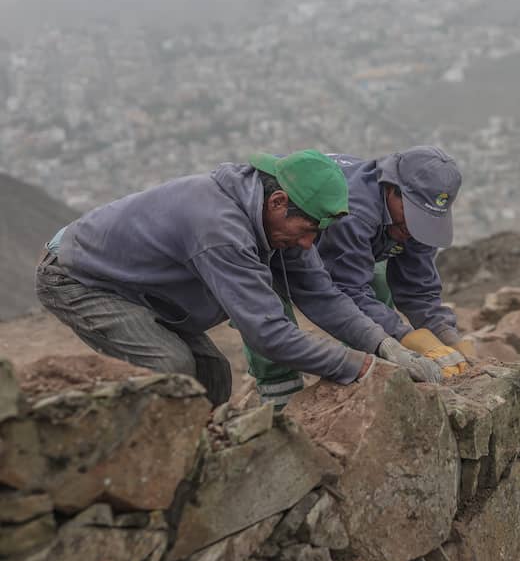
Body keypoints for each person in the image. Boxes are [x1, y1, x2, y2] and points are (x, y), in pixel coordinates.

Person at [35, 150, 443, 408]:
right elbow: (269, 334)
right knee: (170, 368)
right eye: (306, 231)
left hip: (144, 289)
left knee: (213, 376)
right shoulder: (220, 229)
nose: (308, 245)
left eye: (316, 234)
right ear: (279, 201)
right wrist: (362, 367)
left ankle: (198, 467)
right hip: (81, 278)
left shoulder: (278, 219)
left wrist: (387, 346)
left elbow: (323, 296)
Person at [317, 145, 475, 375]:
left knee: (378, 281)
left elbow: (417, 289)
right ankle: (279, 396)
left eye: (423, 219)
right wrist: (402, 336)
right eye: (410, 217)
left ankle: (371, 369)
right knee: (271, 311)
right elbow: (346, 288)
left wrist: (445, 335)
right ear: (391, 189)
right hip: (281, 241)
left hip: (360, 242)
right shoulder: (354, 213)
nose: (412, 229)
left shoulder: (420, 217)